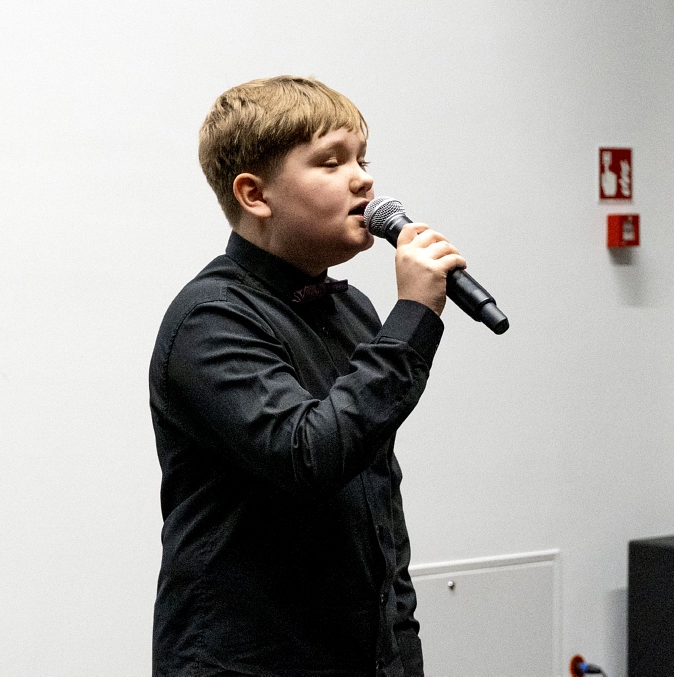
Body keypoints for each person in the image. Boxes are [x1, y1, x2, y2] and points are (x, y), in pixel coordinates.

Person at [148, 75, 464, 677]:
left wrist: (400, 651)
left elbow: (377, 504)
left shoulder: (352, 310)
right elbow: (309, 455)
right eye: (331, 161)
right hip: (247, 663)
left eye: (363, 159)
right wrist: (414, 315)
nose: (362, 179)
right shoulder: (210, 319)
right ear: (254, 194)